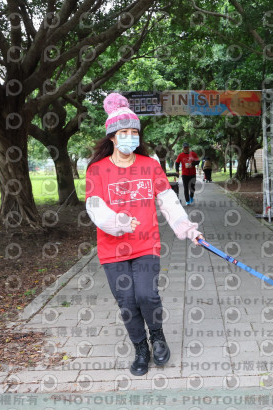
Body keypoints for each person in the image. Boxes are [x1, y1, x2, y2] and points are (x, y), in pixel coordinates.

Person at [85, 93, 204, 376]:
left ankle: (157, 336)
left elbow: (168, 201)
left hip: (145, 244)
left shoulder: (150, 165)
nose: (130, 137)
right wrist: (116, 222)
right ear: (112, 136)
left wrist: (187, 228)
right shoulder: (97, 170)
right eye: (123, 133)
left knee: (147, 295)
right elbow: (94, 206)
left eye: (134, 132)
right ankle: (140, 348)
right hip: (112, 249)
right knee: (127, 301)